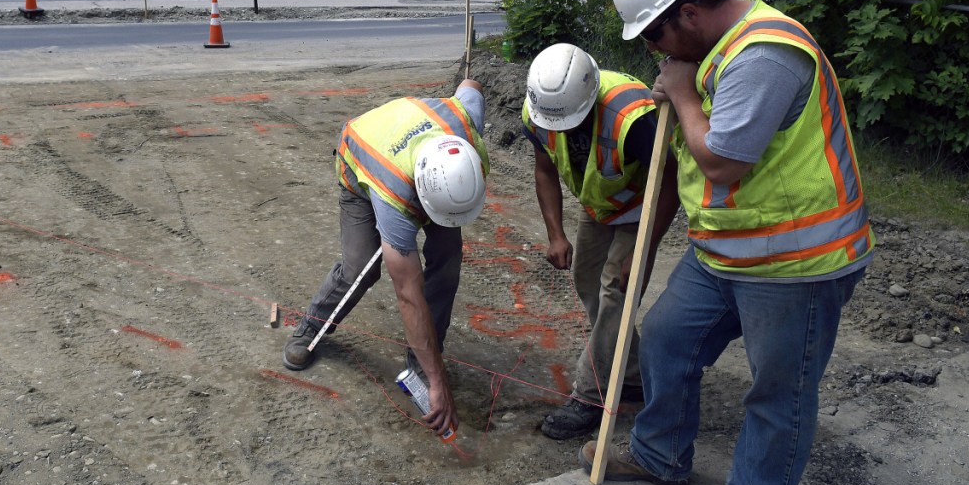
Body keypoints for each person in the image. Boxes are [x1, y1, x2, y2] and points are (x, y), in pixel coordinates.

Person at [580, 0, 876, 485]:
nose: (653, 52)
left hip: (797, 260)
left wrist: (684, 94)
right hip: (727, 251)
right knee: (666, 338)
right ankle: (659, 454)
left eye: (654, 37)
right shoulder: (717, 50)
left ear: (688, 14)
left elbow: (723, 161)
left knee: (778, 389)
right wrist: (684, 89)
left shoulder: (766, 52)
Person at [282, 80, 489, 439]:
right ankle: (311, 327)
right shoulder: (394, 196)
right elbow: (408, 292)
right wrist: (440, 385)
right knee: (361, 267)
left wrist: (432, 370)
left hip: (419, 153)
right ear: (421, 197)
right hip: (362, 157)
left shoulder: (466, 125)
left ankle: (424, 356)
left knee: (448, 261)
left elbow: (470, 86)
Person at [522, 43, 677, 439]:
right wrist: (555, 233)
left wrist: (644, 248)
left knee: (616, 290)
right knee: (586, 281)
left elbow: (670, 181)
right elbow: (544, 170)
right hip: (600, 205)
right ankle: (635, 373)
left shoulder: (633, 116)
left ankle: (590, 395)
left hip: (643, 204)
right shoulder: (540, 109)